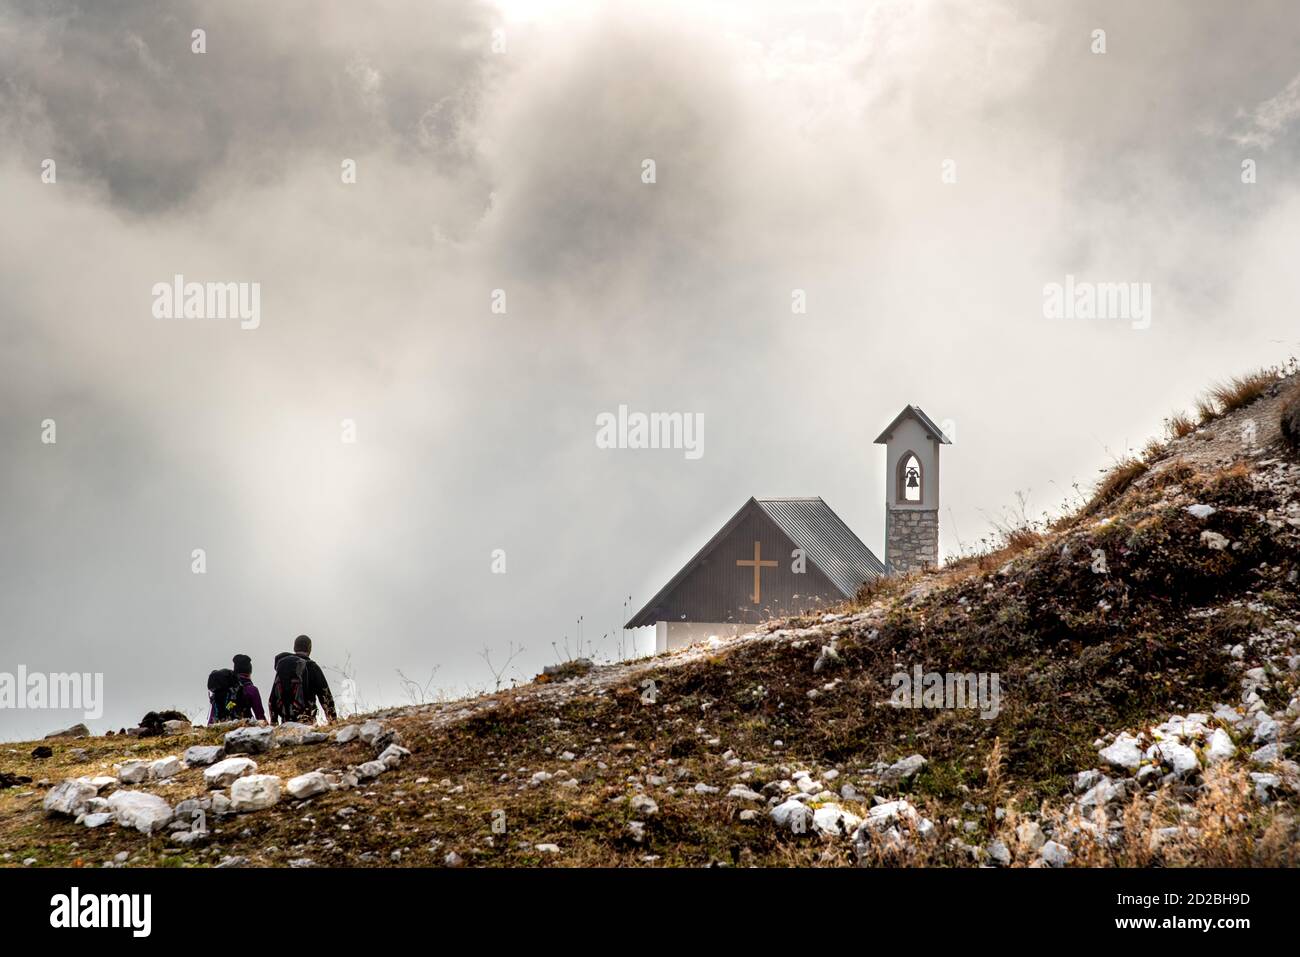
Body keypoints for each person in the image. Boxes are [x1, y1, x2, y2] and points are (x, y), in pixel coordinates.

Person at [269, 635, 336, 724]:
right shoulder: (312, 667)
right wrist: (333, 721)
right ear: (309, 649)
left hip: (285, 724)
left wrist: (274, 723)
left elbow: (272, 699)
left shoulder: (282, 667)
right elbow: (325, 696)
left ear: (294, 648)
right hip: (307, 722)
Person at [207, 654, 266, 724]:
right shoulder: (252, 690)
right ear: (249, 672)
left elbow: (212, 718)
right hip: (243, 728)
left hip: (220, 728)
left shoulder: (224, 687)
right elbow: (260, 716)